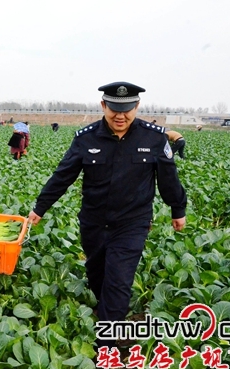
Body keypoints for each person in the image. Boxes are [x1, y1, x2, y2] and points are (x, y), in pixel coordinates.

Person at [27, 81, 187, 349]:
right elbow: (62, 176)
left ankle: (106, 348)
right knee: (98, 273)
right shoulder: (85, 138)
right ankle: (104, 309)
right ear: (103, 106)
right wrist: (39, 208)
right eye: (114, 109)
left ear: (136, 106)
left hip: (132, 223)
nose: (120, 116)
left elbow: (168, 178)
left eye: (126, 109)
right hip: (93, 222)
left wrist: (177, 209)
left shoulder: (154, 138)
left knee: (119, 281)